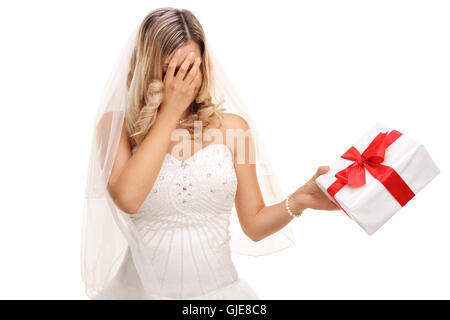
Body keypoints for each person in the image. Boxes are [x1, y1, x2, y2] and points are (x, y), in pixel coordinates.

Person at [81, 7, 338, 300]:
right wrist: (171, 110)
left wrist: (300, 200)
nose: (185, 80)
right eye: (174, 70)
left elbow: (253, 225)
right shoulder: (117, 127)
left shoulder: (233, 129)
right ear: (152, 68)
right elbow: (128, 199)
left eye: (193, 67)